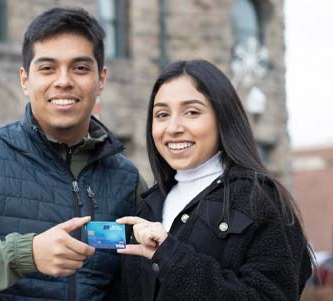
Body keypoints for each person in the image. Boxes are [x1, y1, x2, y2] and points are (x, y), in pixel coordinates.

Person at [0, 7, 146, 300]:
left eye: (80, 68)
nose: (63, 81)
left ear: (101, 79)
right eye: (47, 68)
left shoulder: (126, 178)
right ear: (25, 79)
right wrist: (26, 254)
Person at [116, 60, 312, 300]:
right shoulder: (148, 206)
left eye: (192, 112)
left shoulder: (259, 200)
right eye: (162, 114)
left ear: (223, 118)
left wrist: (172, 257)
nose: (173, 127)